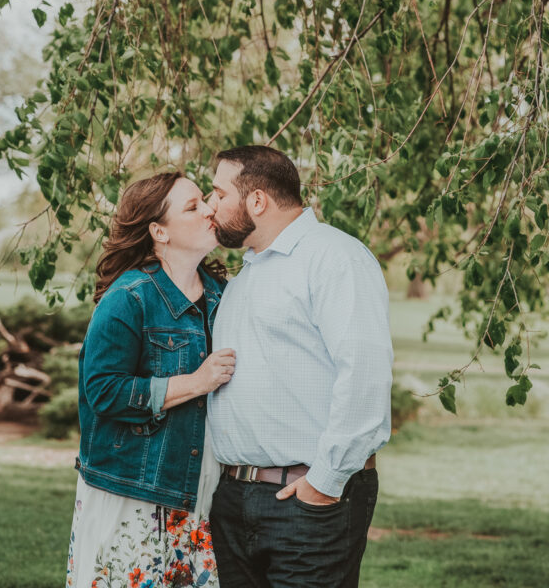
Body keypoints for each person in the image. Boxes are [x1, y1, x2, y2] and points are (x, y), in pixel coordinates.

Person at [206, 145, 393, 588]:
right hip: (234, 501)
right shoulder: (246, 276)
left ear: (257, 200)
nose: (210, 205)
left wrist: (324, 483)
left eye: (218, 193)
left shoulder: (335, 257)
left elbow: (365, 374)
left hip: (308, 500)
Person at [66, 171, 235, 588]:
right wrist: (195, 382)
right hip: (134, 493)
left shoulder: (224, 295)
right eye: (193, 207)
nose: (210, 210)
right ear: (160, 231)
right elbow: (104, 390)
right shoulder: (129, 297)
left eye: (205, 200)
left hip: (200, 493)